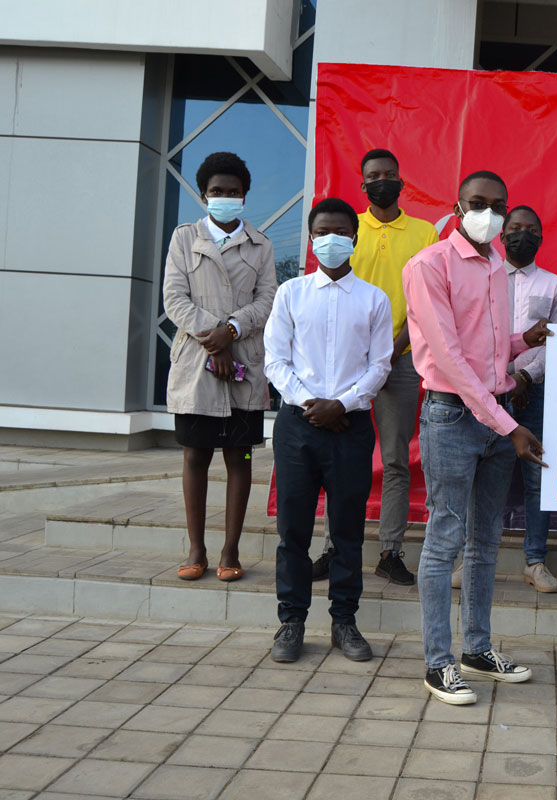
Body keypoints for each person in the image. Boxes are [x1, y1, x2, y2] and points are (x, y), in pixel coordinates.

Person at [403, 171, 552, 705]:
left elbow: (485, 348)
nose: (488, 215)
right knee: (445, 538)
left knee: (485, 543)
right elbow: (449, 358)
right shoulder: (429, 265)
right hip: (453, 416)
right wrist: (510, 425)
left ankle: (477, 649)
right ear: (457, 205)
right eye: (478, 204)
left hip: (495, 417)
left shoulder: (492, 262)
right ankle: (438, 663)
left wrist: (519, 341)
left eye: (498, 206)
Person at [264, 198, 393, 664]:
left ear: (354, 238)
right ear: (312, 238)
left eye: (340, 231)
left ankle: (345, 621)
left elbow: (380, 364)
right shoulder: (290, 293)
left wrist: (344, 403)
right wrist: (310, 404)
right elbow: (275, 361)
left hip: (351, 425)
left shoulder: (374, 299)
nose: (331, 239)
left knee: (348, 529)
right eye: (322, 231)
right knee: (293, 530)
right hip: (299, 427)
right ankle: (291, 621)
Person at [311, 148, 438, 586]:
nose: (382, 180)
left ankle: (390, 551)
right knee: (342, 459)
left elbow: (425, 303)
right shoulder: (348, 229)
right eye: (373, 175)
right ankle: (332, 548)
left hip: (400, 363)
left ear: (401, 180)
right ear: (362, 184)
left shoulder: (424, 233)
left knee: (396, 461)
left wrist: (390, 352)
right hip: (347, 364)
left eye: (389, 174)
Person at [163, 152, 277, 584]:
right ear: (203, 195)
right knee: (195, 455)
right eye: (216, 192)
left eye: (232, 192)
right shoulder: (184, 238)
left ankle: (231, 549)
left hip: (244, 360)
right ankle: (196, 549)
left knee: (239, 456)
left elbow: (267, 301)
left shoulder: (261, 244)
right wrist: (214, 338)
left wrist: (232, 330)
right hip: (197, 362)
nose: (224, 198)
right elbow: (174, 299)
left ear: (244, 196)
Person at [501, 205, 557, 592]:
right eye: (515, 228)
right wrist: (505, 377)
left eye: (530, 229)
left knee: (536, 476)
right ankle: (473, 556)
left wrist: (527, 375)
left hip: (538, 389)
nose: (521, 235)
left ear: (541, 239)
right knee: (485, 474)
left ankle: (535, 560)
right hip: (489, 390)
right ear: (501, 234)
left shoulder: (555, 285)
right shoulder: (485, 278)